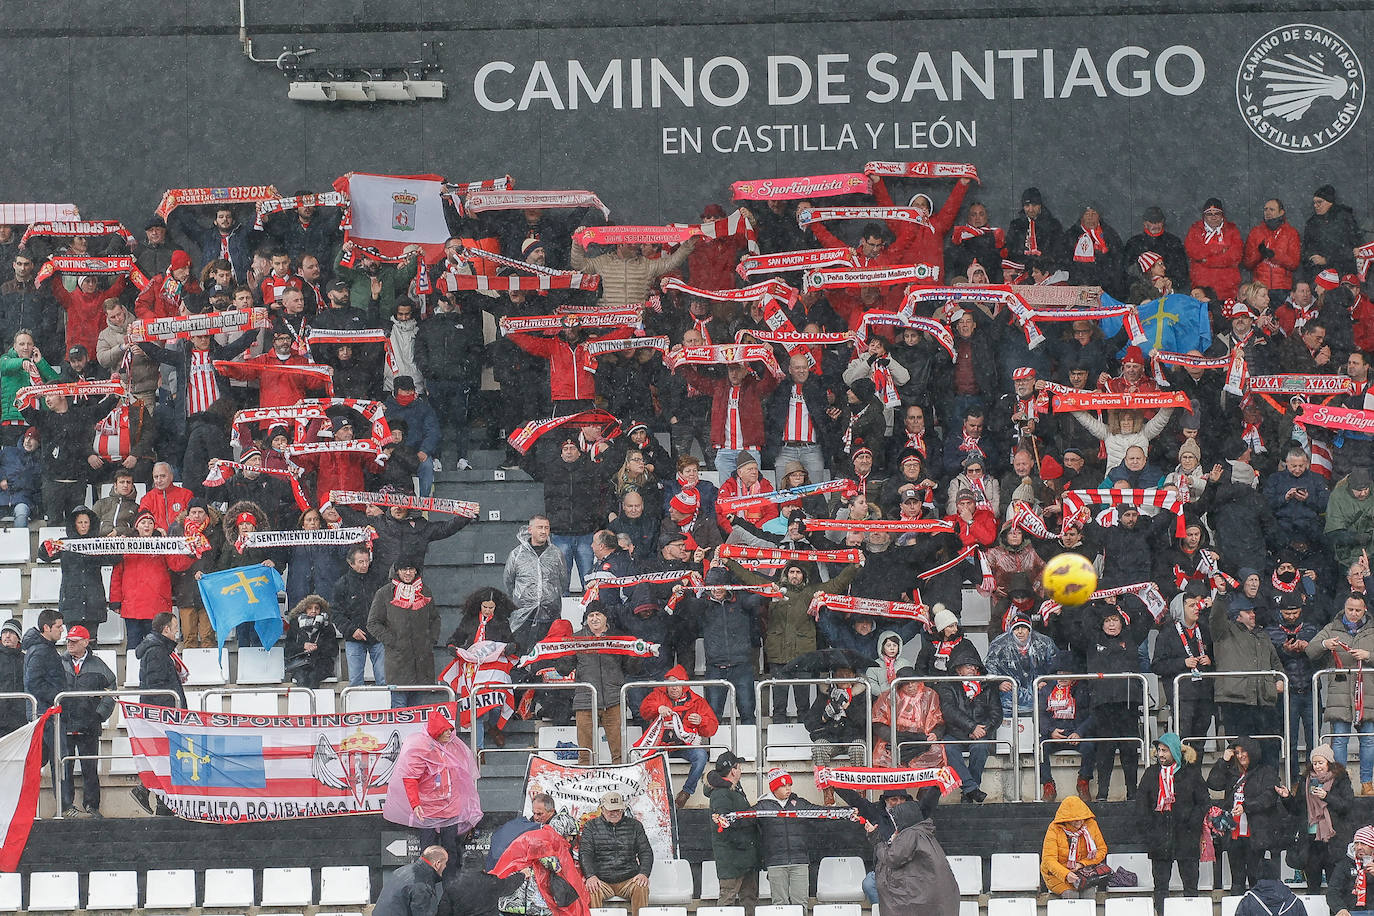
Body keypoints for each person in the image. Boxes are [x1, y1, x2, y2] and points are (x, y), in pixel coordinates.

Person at [382, 708, 483, 881]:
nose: (449, 734)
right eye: (444, 731)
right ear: (436, 733)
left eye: (450, 730)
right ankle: (425, 884)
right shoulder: (421, 750)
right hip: (428, 810)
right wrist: (416, 804)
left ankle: (450, 887)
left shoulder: (452, 746)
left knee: (451, 850)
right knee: (428, 852)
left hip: (450, 808)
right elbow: (410, 778)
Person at [1136, 732, 1208, 914]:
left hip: (1186, 836)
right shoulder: (1151, 773)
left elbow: (1204, 802)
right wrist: (1150, 828)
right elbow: (1141, 804)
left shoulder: (1191, 773)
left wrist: (1192, 824)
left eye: (1165, 750)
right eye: (1159, 750)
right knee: (1160, 886)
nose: (1160, 754)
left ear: (1175, 751)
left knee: (1191, 885)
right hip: (1159, 836)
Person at [1310, 592, 1374, 795]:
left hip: (1368, 693)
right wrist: (1324, 645)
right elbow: (1310, 650)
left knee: (1369, 739)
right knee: (1339, 740)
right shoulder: (1332, 628)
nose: (1354, 613)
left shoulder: (1372, 630)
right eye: (1350, 609)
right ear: (1344, 608)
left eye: (1358, 610)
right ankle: (1339, 784)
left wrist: (1369, 655)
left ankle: (1367, 783)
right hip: (1340, 694)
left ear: (1365, 610)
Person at [1207, 736, 1284, 890]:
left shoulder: (1265, 771)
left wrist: (1246, 806)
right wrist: (1223, 761)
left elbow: (1268, 797)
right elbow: (1213, 783)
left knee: (1255, 877)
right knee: (1237, 879)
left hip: (1255, 833)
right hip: (1234, 833)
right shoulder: (1231, 772)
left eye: (1244, 752)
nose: (1240, 755)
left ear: (1253, 753)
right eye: (1237, 752)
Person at [865, 792, 960, 916]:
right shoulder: (924, 832)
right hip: (939, 898)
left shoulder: (911, 834)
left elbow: (891, 858)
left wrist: (876, 839)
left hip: (922, 900)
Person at [636, 665, 718, 807]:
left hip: (683, 746)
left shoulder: (697, 701)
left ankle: (686, 793)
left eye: (678, 683)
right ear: (666, 685)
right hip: (660, 746)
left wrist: (701, 721)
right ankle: (649, 796)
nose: (674, 688)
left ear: (684, 686)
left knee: (701, 756)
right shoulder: (658, 695)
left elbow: (712, 728)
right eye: (670, 684)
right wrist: (658, 708)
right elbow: (644, 711)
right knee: (643, 758)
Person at [1279, 744, 1355, 892]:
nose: (1317, 766)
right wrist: (1287, 797)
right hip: (1310, 839)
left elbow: (1347, 806)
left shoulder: (1340, 779)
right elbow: (1297, 810)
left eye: (1321, 762)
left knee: (1334, 885)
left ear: (1329, 762)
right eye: (1314, 763)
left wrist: (1327, 797)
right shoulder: (1306, 780)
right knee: (1312, 885)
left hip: (1332, 840)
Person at [935, 642, 1003, 803]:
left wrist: (983, 729)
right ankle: (971, 789)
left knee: (980, 747)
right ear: (958, 669)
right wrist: (971, 727)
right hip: (955, 733)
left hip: (981, 734)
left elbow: (996, 714)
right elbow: (949, 711)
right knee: (948, 747)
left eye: (974, 666)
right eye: (967, 666)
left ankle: (969, 792)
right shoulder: (947, 685)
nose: (972, 669)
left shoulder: (988, 686)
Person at [368, 558, 441, 708]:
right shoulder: (384, 593)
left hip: (422, 662)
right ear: (397, 571)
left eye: (411, 569)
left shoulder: (425, 591)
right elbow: (373, 623)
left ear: (416, 571)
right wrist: (393, 642)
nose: (408, 573)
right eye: (404, 569)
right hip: (397, 662)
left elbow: (435, 619)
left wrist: (430, 640)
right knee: (399, 708)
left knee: (418, 709)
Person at [59, 624, 115, 818]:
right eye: (68, 641)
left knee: (89, 768)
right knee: (64, 768)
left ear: (85, 642)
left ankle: (92, 806)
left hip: (89, 726)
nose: (70, 644)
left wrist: (99, 715)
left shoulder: (99, 666)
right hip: (64, 724)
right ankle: (66, 806)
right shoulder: (59, 663)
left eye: (74, 641)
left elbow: (111, 692)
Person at [579, 791, 654, 916]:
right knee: (591, 888)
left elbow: (646, 852)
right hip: (601, 880)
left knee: (641, 886)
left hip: (629, 879)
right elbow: (585, 853)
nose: (615, 813)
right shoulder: (590, 827)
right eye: (611, 810)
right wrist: (590, 875)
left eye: (618, 810)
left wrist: (643, 873)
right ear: (602, 809)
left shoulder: (635, 826)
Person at [754, 768, 818, 914]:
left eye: (789, 785)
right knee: (779, 905)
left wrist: (844, 812)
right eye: (783, 786)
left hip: (800, 860)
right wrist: (725, 818)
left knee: (801, 904)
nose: (788, 789)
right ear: (774, 788)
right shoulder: (762, 805)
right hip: (775, 862)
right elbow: (744, 820)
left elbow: (819, 811)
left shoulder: (799, 803)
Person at [705, 751, 761, 915]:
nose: (741, 770)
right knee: (727, 899)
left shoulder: (733, 790)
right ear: (733, 771)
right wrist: (751, 818)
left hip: (744, 855)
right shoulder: (721, 793)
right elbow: (724, 822)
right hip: (732, 856)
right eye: (739, 767)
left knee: (749, 898)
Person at [572, 603, 628, 765]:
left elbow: (632, 668)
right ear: (586, 619)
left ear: (605, 618)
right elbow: (564, 668)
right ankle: (585, 787)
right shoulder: (575, 639)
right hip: (585, 702)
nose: (594, 619)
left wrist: (636, 653)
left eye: (598, 615)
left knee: (619, 755)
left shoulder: (618, 638)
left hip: (614, 701)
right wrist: (559, 651)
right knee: (584, 755)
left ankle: (620, 788)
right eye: (591, 615)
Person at [505, 516, 567, 651]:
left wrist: (551, 598)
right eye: (540, 527)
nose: (544, 531)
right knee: (520, 653)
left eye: (546, 528)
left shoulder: (556, 553)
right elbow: (509, 581)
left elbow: (563, 580)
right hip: (523, 614)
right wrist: (522, 599)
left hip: (550, 613)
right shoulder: (517, 554)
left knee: (547, 654)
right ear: (530, 529)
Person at [333, 544, 387, 687]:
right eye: (360, 562)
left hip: (378, 636)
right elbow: (336, 613)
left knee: (384, 679)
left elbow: (387, 607)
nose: (365, 565)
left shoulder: (379, 581)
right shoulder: (342, 584)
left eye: (367, 561)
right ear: (351, 563)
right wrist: (351, 630)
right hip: (354, 637)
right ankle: (356, 710)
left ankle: (386, 709)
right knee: (355, 682)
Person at [1041, 796, 1108, 900]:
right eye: (1074, 820)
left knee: (1089, 894)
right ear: (1066, 819)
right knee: (1071, 895)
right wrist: (1066, 874)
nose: (1079, 822)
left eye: (1082, 818)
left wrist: (1081, 864)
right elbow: (1049, 860)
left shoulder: (1091, 825)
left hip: (1084, 874)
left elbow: (1102, 850)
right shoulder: (1054, 829)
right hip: (1058, 876)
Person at [374, 845, 448, 916]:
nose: (446, 866)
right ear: (437, 864)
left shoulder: (402, 870)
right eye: (445, 863)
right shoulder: (423, 885)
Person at [283, 594, 338, 688]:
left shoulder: (327, 626)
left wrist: (318, 648)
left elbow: (334, 649)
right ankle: (303, 702)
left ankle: (314, 702)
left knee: (313, 676)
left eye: (317, 608)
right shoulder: (295, 625)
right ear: (304, 609)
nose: (313, 611)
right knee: (302, 678)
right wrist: (303, 647)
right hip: (300, 663)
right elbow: (288, 649)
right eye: (310, 608)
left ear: (321, 609)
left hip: (322, 663)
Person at [1327, 823, 1374, 916]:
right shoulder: (1344, 864)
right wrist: (1340, 909)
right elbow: (1332, 891)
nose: (1359, 847)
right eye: (1356, 843)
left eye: (1364, 843)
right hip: (1350, 913)